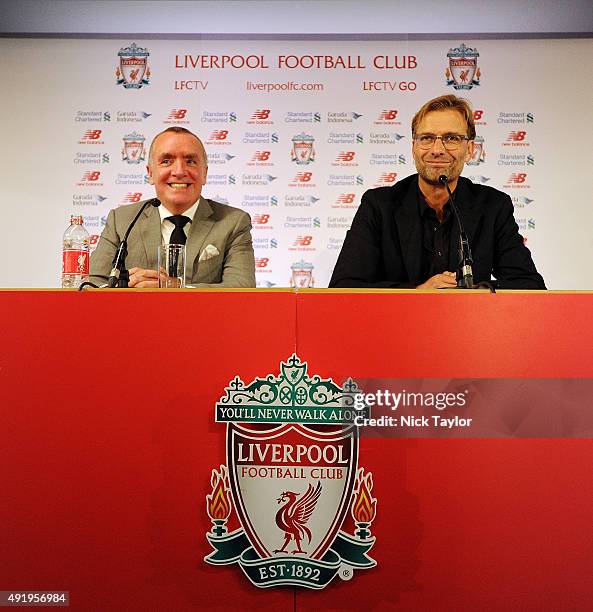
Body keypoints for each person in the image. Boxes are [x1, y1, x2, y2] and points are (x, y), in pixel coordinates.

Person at [329, 95, 545, 289]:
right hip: (398, 328)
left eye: (451, 138)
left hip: (468, 327)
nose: (437, 149)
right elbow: (344, 286)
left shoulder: (493, 206)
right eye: (427, 138)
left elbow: (529, 285)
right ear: (414, 147)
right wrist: (418, 293)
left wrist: (476, 293)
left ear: (469, 150)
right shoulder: (379, 205)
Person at [89, 126, 255, 287]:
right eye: (166, 161)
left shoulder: (233, 222)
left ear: (204, 173)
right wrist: (124, 287)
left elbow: (241, 286)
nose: (179, 171)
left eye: (190, 161)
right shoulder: (122, 220)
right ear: (150, 173)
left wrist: (175, 288)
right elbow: (91, 285)